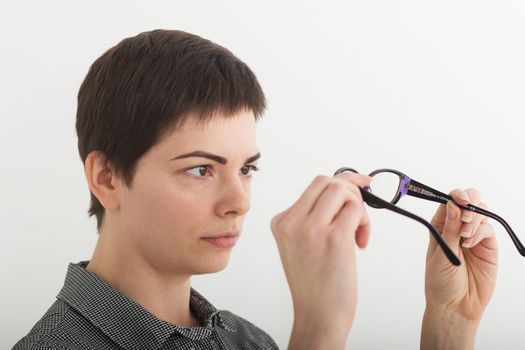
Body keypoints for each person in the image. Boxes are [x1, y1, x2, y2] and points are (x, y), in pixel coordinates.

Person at [13, 29, 497, 350]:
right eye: (201, 169)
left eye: (247, 169)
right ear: (106, 178)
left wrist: (450, 324)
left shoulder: (248, 341)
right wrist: (319, 329)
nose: (239, 202)